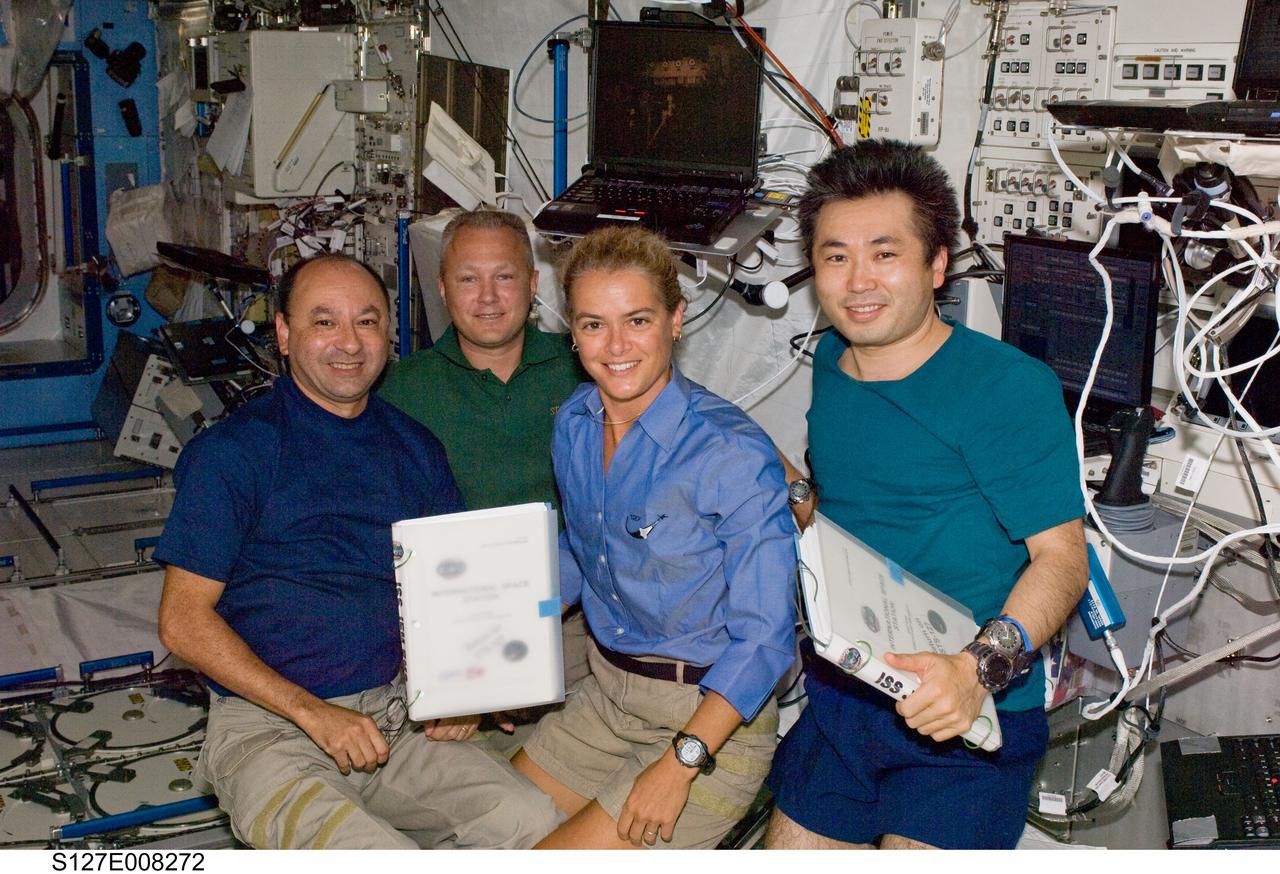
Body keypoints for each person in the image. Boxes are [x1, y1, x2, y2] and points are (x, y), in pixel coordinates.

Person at [155, 253, 563, 849]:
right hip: (272, 727)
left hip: (394, 721)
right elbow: (181, 622)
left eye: (367, 322)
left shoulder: (415, 447)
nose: (349, 342)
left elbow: (456, 592)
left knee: (530, 820)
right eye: (325, 322)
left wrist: (467, 694)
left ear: (388, 335)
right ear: (286, 336)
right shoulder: (234, 454)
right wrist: (313, 713)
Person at [764, 139, 1088, 850]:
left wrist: (977, 670)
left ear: (936, 265)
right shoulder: (829, 361)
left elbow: (1063, 562)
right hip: (844, 697)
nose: (857, 282)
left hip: (961, 710)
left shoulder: (1005, 387)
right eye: (834, 255)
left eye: (884, 253)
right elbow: (847, 501)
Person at [511, 226, 797, 850]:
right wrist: (498, 645)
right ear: (572, 332)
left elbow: (766, 639)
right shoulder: (574, 426)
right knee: (493, 826)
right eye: (592, 324)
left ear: (676, 320)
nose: (615, 346)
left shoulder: (730, 452)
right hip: (606, 696)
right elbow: (583, 556)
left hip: (710, 719)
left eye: (637, 320)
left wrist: (679, 764)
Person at [378, 208, 593, 711]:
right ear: (443, 287)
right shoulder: (399, 392)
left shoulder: (587, 368)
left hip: (575, 618)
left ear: (535, 284)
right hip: (449, 626)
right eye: (468, 279)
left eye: (505, 277)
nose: (488, 297)